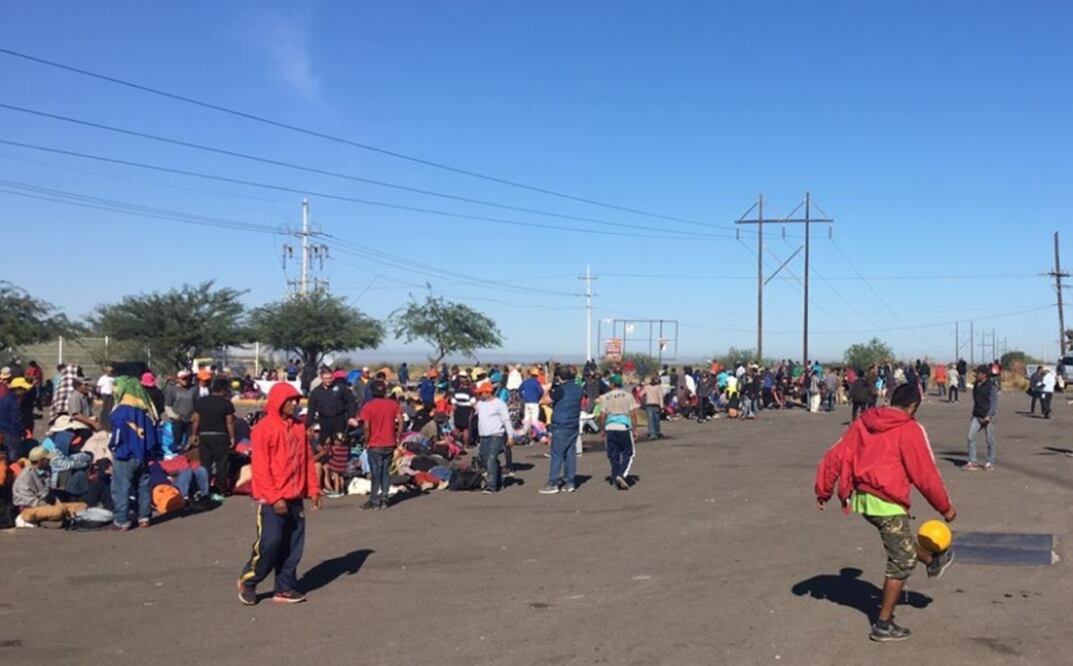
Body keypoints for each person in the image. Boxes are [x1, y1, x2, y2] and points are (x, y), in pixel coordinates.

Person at [814, 383, 957, 642]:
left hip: (864, 500)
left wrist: (823, 490)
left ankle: (933, 560)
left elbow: (835, 454)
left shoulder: (865, 420)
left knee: (898, 540)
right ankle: (883, 624)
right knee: (901, 561)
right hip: (887, 500)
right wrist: (945, 508)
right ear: (913, 406)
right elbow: (925, 474)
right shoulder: (909, 428)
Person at [238, 383, 321, 605]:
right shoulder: (264, 429)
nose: (295, 404)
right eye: (290, 400)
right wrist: (275, 498)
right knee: (271, 543)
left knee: (293, 545)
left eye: (297, 400)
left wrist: (313, 489)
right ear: (278, 401)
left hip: (295, 496)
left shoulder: (298, 428)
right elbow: (261, 468)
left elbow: (307, 460)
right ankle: (249, 581)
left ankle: (284, 587)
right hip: (272, 499)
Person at [109, 376, 161, 530]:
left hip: (124, 454)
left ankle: (121, 520)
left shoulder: (120, 410)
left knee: (121, 487)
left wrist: (113, 447)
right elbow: (153, 434)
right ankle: (144, 517)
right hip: (142, 454)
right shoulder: (146, 410)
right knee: (143, 486)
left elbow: (117, 434)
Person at [12, 445, 88, 528]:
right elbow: (29, 501)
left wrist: (57, 503)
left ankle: (60, 519)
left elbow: (48, 492)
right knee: (58, 511)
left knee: (82, 506)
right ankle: (45, 521)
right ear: (41, 460)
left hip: (47, 504)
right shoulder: (26, 476)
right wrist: (51, 506)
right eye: (47, 459)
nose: (49, 460)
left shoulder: (46, 470)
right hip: (30, 509)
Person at [358, 380, 402, 510]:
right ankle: (384, 499)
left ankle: (374, 500)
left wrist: (366, 440)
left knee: (376, 472)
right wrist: (397, 436)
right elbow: (400, 421)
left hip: (375, 443)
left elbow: (366, 427)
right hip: (389, 442)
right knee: (385, 472)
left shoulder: (368, 406)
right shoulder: (393, 404)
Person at [540, 366, 583, 494]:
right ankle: (570, 482)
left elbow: (545, 401)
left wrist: (546, 390)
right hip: (573, 423)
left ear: (559, 377)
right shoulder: (578, 389)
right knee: (570, 454)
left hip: (561, 424)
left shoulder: (560, 390)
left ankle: (553, 483)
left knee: (557, 454)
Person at [192, 378, 237, 499]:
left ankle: (204, 488)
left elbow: (196, 419)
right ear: (223, 390)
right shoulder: (226, 403)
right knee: (221, 463)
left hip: (204, 435)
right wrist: (232, 437)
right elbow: (230, 422)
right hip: (221, 436)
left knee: (205, 463)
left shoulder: (201, 402)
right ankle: (221, 488)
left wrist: (194, 434)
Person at [596, 375, 640, 490]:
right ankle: (621, 474)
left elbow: (602, 415)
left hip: (610, 426)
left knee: (613, 454)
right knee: (628, 452)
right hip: (623, 426)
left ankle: (615, 475)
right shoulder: (628, 396)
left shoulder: (605, 397)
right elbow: (633, 414)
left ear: (611, 384)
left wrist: (602, 429)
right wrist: (635, 429)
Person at [474, 382, 511, 493]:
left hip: (496, 435)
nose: (479, 395)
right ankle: (497, 479)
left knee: (491, 459)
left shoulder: (499, 404)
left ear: (488, 392)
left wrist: (510, 436)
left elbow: (506, 420)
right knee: (484, 459)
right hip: (483, 436)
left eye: (481, 393)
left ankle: (491, 486)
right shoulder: (480, 404)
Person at [965, 365, 998, 471]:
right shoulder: (976, 385)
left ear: (984, 374)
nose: (976, 375)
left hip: (988, 417)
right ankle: (972, 461)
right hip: (977, 415)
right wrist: (974, 414)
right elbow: (976, 401)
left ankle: (990, 462)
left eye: (978, 373)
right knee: (970, 437)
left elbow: (993, 403)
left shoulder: (991, 386)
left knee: (989, 440)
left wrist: (989, 415)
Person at [164, 370, 198, 450]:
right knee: (177, 442)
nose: (186, 381)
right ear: (178, 379)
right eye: (183, 379)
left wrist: (196, 415)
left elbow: (198, 403)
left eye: (187, 378)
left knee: (190, 442)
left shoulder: (194, 389)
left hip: (191, 420)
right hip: (178, 420)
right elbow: (167, 405)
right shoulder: (172, 389)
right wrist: (174, 416)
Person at [519, 367, 544, 437]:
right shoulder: (536, 383)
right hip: (534, 403)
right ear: (537, 375)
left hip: (526, 403)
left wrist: (522, 397)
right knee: (534, 420)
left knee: (527, 419)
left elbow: (519, 389)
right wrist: (538, 398)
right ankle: (538, 435)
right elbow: (541, 391)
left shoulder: (526, 382)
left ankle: (525, 434)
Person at [641, 375, 664, 440]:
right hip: (656, 404)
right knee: (656, 419)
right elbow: (660, 397)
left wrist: (644, 399)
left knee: (650, 420)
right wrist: (662, 407)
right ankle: (657, 432)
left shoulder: (647, 387)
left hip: (649, 404)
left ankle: (652, 433)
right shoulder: (658, 387)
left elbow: (640, 394)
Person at [96, 366, 116, 431]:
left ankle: (109, 420)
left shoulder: (113, 378)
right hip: (105, 394)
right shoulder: (102, 378)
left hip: (111, 394)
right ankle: (103, 421)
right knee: (105, 408)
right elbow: (98, 387)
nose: (111, 373)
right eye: (110, 371)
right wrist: (98, 394)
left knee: (110, 408)